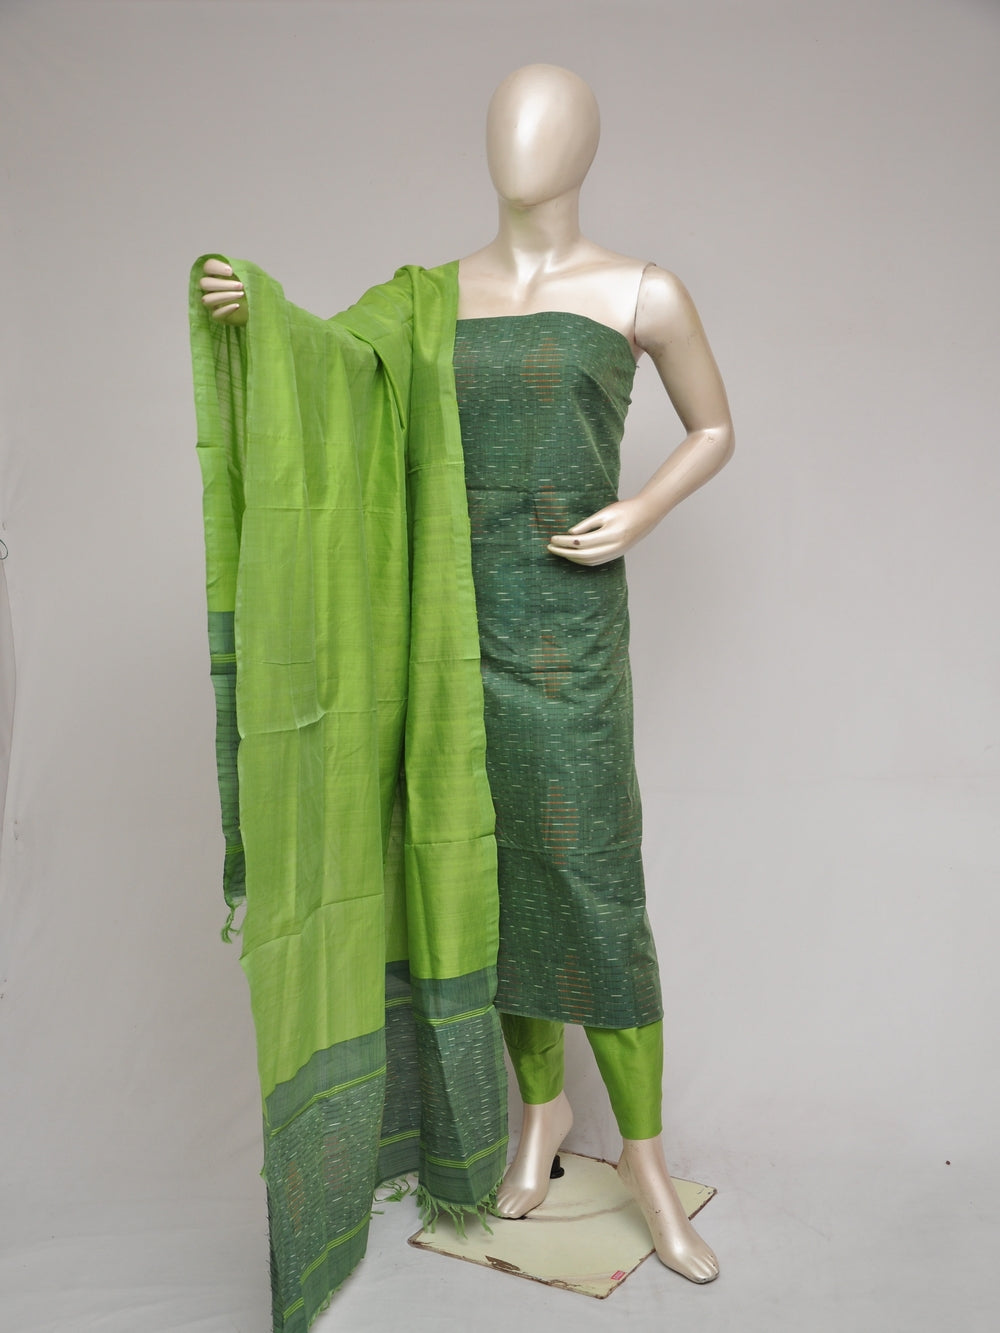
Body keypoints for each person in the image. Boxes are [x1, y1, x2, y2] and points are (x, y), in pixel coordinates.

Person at [201, 62, 733, 1287]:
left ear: (584, 143)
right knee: (482, 879)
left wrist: (640, 509)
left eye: (545, 122)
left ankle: (646, 1160)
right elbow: (337, 375)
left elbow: (714, 426)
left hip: (567, 632)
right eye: (504, 120)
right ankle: (540, 1115)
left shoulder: (642, 290)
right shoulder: (428, 298)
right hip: (444, 632)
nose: (521, 142)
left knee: (591, 886)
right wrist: (262, 319)